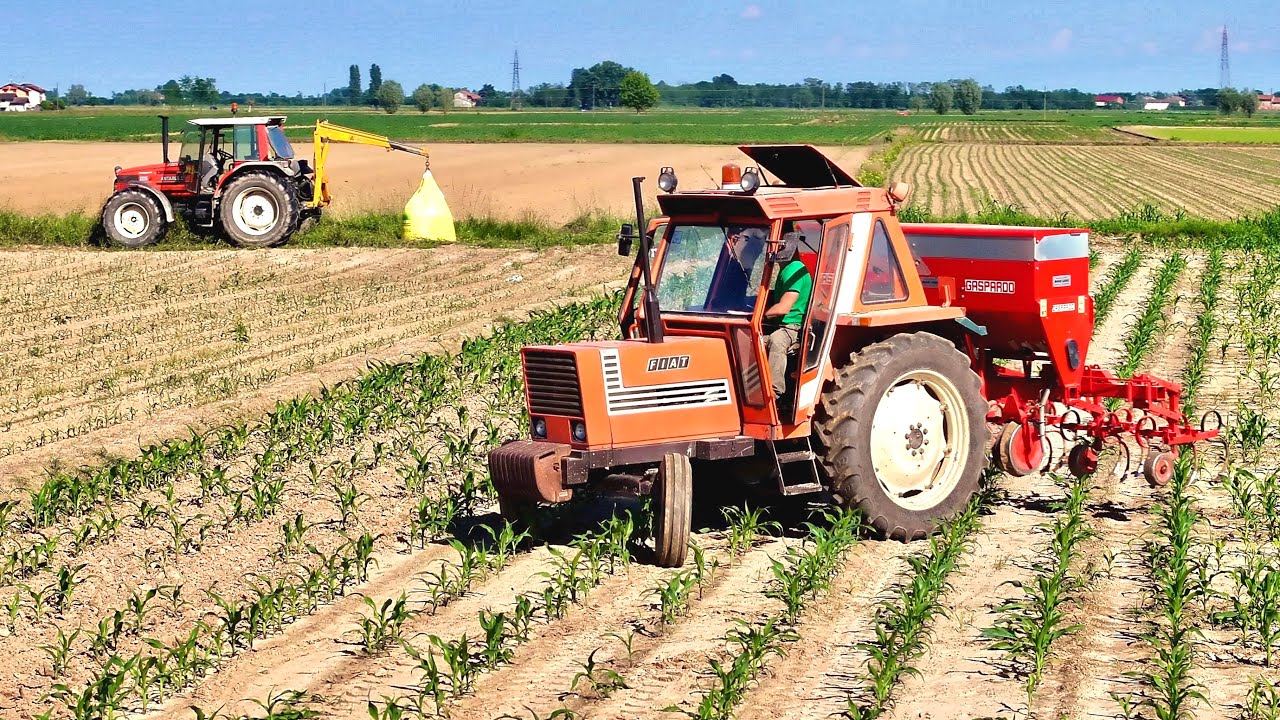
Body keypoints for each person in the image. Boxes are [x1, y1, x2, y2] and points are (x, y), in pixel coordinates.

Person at [763, 230, 812, 399]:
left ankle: (773, 392)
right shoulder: (787, 269)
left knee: (777, 340)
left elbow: (784, 307)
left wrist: (760, 316)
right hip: (781, 325)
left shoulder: (794, 268)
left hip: (793, 327)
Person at [713, 227, 766, 311]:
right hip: (748, 229)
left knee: (740, 267)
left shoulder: (750, 241)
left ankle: (733, 303)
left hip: (752, 230)